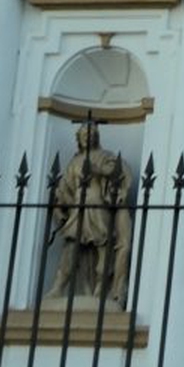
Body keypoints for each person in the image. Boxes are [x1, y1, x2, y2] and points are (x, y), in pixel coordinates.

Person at [44, 120, 133, 302]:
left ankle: (101, 290)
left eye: (91, 135)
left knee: (103, 246)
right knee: (71, 246)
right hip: (78, 208)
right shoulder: (74, 162)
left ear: (96, 137)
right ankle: (58, 286)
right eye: (84, 135)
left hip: (98, 205)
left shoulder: (105, 156)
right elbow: (64, 189)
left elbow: (118, 172)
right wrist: (59, 209)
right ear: (79, 138)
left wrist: (97, 169)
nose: (88, 138)